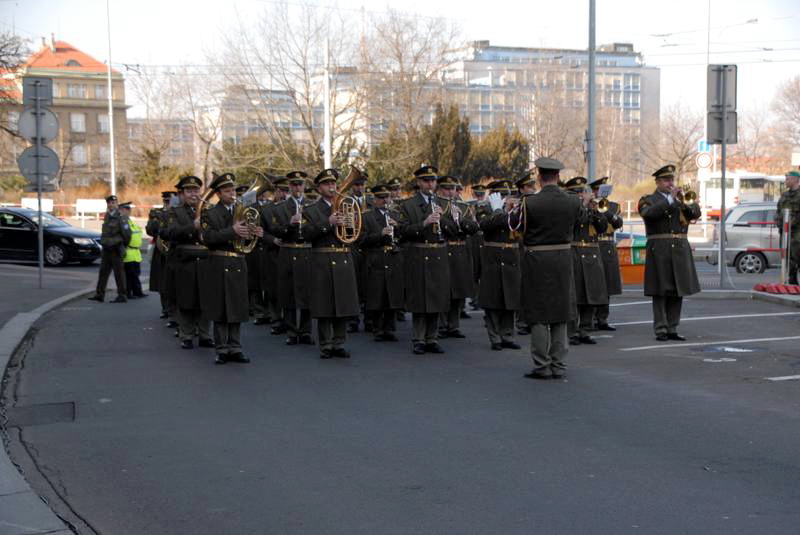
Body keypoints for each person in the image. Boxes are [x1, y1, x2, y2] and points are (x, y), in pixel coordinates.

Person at [512, 158, 582, 379]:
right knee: (561, 312)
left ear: (540, 178)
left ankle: (542, 365)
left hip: (537, 260)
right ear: (558, 177)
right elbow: (580, 225)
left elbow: (516, 228)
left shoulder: (529, 202)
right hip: (563, 258)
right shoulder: (573, 201)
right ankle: (559, 364)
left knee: (539, 313)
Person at [638, 164, 702, 341]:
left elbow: (696, 213)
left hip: (680, 248)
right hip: (660, 248)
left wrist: (683, 201)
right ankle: (661, 329)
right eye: (666, 180)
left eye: (671, 179)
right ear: (657, 182)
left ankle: (673, 327)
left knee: (677, 289)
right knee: (660, 290)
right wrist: (669, 201)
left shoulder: (681, 200)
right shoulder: (648, 199)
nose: (670, 182)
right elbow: (649, 214)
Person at [201, 172, 260, 364]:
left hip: (238, 262)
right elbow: (208, 239)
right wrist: (231, 231)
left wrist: (255, 232)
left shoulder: (244, 210)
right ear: (219, 193)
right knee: (221, 308)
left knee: (237, 306)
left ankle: (235, 347)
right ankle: (221, 349)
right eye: (227, 191)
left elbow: (247, 239)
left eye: (233, 190)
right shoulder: (210, 213)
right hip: (219, 263)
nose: (232, 194)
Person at [397, 165, 457, 354]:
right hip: (419, 254)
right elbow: (402, 232)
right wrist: (424, 222)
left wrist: (444, 218)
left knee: (436, 297)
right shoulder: (408, 205)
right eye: (426, 181)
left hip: (438, 254)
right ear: (419, 183)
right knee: (420, 299)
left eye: (432, 180)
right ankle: (419, 339)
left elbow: (455, 231)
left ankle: (432, 338)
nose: (430, 184)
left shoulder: (443, 203)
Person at [302, 168, 361, 358]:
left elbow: (353, 235)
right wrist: (328, 222)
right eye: (327, 184)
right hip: (323, 259)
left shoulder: (346, 205)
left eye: (334, 184)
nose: (332, 187)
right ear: (319, 188)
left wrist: (351, 222)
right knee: (325, 305)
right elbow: (306, 235)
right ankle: (326, 344)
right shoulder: (310, 209)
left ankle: (339, 343)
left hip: (343, 258)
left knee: (343, 304)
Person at [165, 175, 214, 350]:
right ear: (182, 194)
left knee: (205, 300)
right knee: (186, 300)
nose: (194, 194)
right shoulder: (175, 212)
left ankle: (205, 335)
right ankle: (186, 335)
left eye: (196, 190)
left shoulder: (208, 210)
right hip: (185, 262)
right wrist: (192, 227)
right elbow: (170, 233)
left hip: (206, 260)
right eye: (189, 191)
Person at [476, 179, 522, 351]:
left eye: (507, 195)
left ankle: (508, 335)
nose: (506, 198)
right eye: (502, 195)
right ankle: (495, 337)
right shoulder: (484, 209)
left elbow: (520, 225)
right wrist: (497, 210)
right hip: (493, 259)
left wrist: (509, 210)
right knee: (493, 300)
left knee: (510, 299)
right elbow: (485, 225)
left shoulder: (515, 211)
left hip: (511, 257)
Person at [564, 177, 608, 345]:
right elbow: (577, 221)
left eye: (583, 191)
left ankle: (585, 330)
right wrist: (582, 206)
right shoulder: (568, 208)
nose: (582, 194)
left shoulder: (592, 208)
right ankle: (572, 332)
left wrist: (595, 210)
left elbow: (603, 227)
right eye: (578, 192)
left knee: (590, 294)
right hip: (574, 252)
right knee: (575, 296)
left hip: (592, 253)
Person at [273, 171, 314, 345]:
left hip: (306, 252)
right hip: (288, 252)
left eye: (300, 184)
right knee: (288, 293)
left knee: (307, 293)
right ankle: (291, 331)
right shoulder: (280, 207)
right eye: (294, 184)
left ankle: (305, 331)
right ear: (289, 186)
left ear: (304, 186)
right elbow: (276, 232)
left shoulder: (312, 205)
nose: (298, 188)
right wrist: (289, 225)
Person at [360, 183, 405, 342]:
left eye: (387, 197)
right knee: (378, 295)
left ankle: (390, 329)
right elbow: (362, 240)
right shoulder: (367, 217)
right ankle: (377, 328)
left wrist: (397, 227)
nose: (385, 200)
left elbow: (404, 236)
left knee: (392, 294)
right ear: (374, 199)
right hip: (376, 257)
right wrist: (380, 234)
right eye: (381, 198)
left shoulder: (395, 214)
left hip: (393, 257)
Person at [437, 176, 479, 338]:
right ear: (439, 189)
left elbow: (474, 228)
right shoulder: (436, 205)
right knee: (443, 290)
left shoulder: (463, 206)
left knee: (457, 290)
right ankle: (440, 325)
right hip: (443, 250)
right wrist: (446, 219)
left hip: (460, 251)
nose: (449, 192)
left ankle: (453, 325)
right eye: (446, 188)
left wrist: (460, 219)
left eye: (452, 189)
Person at [589, 177, 623, 330]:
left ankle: (602, 319)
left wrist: (606, 211)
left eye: (602, 190)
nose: (600, 193)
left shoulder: (613, 206)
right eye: (597, 190)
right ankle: (590, 319)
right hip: (594, 244)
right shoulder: (588, 206)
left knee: (607, 284)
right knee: (593, 284)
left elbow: (618, 223)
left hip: (608, 245)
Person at [88, 195, 131, 303]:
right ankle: (99, 294)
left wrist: (122, 246)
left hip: (116, 249)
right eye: (109, 203)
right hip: (106, 249)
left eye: (113, 203)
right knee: (103, 273)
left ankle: (122, 295)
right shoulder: (107, 215)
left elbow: (127, 234)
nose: (111, 205)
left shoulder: (120, 217)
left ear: (116, 204)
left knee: (119, 274)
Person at [263, 176, 289, 334]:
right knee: (273, 288)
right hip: (273, 251)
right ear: (276, 191)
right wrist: (272, 239)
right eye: (282, 190)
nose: (284, 193)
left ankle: (289, 320)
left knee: (288, 287)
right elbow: (259, 232)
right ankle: (276, 319)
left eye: (287, 190)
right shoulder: (266, 209)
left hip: (290, 251)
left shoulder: (291, 207)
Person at [146, 191, 175, 318]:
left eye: (170, 201)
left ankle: (173, 310)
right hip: (161, 251)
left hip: (174, 250)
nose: (167, 203)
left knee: (174, 282)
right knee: (162, 281)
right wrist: (158, 220)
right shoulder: (156, 213)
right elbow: (150, 230)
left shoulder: (177, 212)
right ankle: (165, 309)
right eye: (166, 201)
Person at [775, 169, 800, 285]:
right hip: (784, 231)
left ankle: (794, 277)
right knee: (786, 255)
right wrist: (778, 221)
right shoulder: (785, 195)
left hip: (797, 231)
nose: (786, 181)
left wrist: (792, 223)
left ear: (795, 180)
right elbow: (778, 210)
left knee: (796, 254)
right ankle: (790, 279)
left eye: (788, 179)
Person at [119, 202, 146, 299]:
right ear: (121, 210)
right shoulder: (121, 221)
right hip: (128, 252)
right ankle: (128, 293)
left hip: (135, 253)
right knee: (129, 275)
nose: (128, 211)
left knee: (135, 274)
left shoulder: (130, 221)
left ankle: (137, 292)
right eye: (126, 209)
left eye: (129, 209)